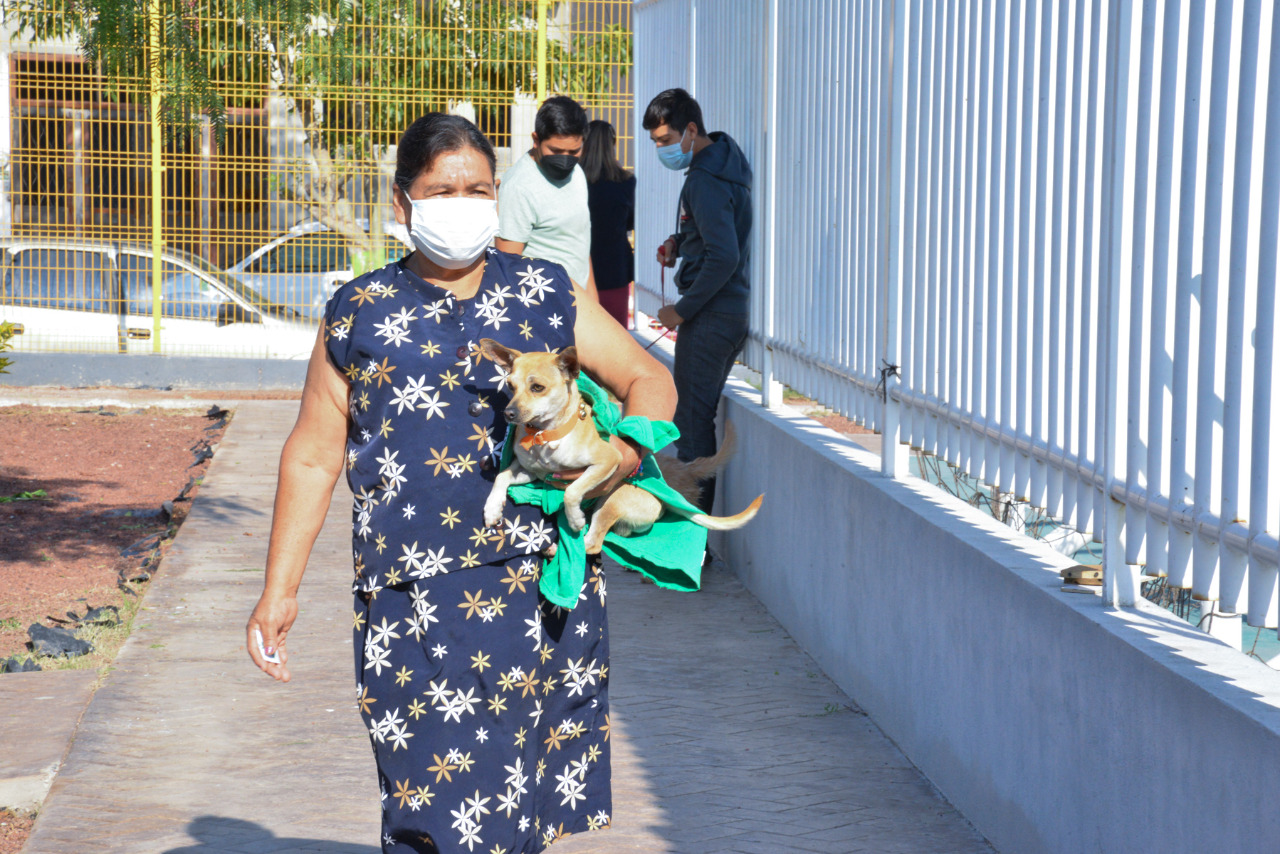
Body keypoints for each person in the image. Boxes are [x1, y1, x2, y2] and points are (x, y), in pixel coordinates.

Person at [245, 113, 676, 854]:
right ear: (401, 201)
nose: (463, 203)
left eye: (479, 189)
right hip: (409, 596)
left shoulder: (546, 292)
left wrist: (630, 449)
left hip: (534, 587)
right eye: (442, 190)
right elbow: (314, 456)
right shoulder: (358, 311)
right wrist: (278, 592)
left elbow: (648, 377)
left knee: (513, 805)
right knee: (430, 803)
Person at [642, 88, 753, 513]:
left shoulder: (706, 181)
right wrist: (679, 243)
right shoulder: (724, 166)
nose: (661, 150)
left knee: (690, 424)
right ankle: (696, 534)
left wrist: (681, 310)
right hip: (724, 312)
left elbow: (725, 255)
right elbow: (719, 237)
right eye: (654, 142)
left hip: (710, 315)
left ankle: (692, 537)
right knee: (694, 419)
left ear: (691, 130)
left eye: (665, 141)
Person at [496, 95, 599, 303]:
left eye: (573, 151)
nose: (565, 159)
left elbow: (579, 242)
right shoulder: (519, 187)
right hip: (543, 310)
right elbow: (508, 265)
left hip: (581, 307)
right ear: (536, 139)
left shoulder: (577, 173)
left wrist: (594, 303)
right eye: (556, 150)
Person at [580, 119, 635, 328]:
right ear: (612, 145)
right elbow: (630, 222)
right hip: (615, 269)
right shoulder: (626, 182)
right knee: (616, 332)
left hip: (582, 268)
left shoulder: (574, 181)